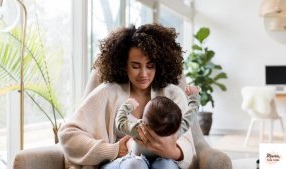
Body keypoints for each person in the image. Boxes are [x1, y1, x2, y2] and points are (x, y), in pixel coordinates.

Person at [58, 23, 200, 169]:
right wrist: (113, 149)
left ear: (159, 64)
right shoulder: (107, 92)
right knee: (135, 164)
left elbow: (188, 147)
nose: (144, 74)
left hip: (164, 162)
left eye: (150, 66)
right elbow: (67, 134)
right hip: (121, 164)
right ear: (124, 65)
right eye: (135, 66)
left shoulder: (173, 94)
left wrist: (173, 152)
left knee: (166, 165)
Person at [115, 94, 199, 159]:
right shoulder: (174, 133)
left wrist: (128, 105)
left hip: (138, 159)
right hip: (162, 160)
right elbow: (189, 118)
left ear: (143, 121)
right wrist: (194, 99)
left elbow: (120, 122)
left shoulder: (139, 129)